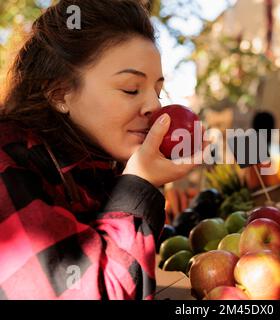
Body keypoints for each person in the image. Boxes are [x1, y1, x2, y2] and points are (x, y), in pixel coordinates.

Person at [0, 0, 198, 299]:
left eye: (157, 91)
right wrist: (140, 186)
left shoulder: (98, 165)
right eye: (131, 88)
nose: (155, 106)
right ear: (60, 93)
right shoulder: (7, 165)